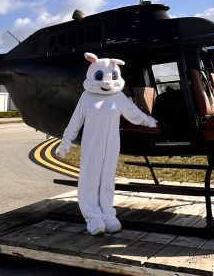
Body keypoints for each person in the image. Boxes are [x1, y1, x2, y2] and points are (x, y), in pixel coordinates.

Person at [58, 53, 157, 235]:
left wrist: (148, 121)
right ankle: (92, 217)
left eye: (112, 76)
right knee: (90, 178)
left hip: (111, 144)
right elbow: (75, 121)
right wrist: (66, 141)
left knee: (107, 179)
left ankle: (107, 213)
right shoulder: (87, 97)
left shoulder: (118, 97)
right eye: (100, 76)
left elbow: (133, 112)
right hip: (91, 145)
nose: (107, 82)